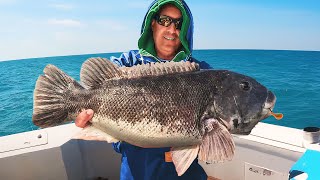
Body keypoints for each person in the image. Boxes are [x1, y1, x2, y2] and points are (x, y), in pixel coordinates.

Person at [76, 0, 212, 179]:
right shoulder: (127, 64)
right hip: (137, 172)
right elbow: (94, 92)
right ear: (152, 23)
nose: (172, 30)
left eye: (179, 24)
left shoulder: (202, 72)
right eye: (165, 20)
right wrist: (83, 118)